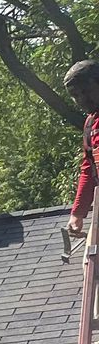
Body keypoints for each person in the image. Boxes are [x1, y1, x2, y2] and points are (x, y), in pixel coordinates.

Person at [67, 60, 99, 241]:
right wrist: (78, 213)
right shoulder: (90, 124)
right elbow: (89, 169)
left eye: (84, 91)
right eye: (74, 96)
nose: (80, 100)